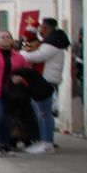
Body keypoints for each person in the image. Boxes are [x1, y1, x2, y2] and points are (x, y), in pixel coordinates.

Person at [18, 17, 68, 152]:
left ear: (46, 28)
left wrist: (19, 54)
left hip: (46, 81)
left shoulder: (53, 43)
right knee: (39, 112)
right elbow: (29, 48)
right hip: (42, 80)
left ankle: (47, 143)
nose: (40, 30)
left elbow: (35, 56)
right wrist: (26, 40)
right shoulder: (47, 42)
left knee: (44, 113)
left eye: (42, 28)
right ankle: (43, 140)